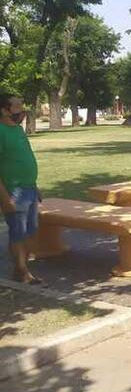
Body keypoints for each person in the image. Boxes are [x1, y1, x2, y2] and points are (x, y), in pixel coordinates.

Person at [0, 94, 42, 285]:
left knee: (30, 231)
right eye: (17, 106)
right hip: (14, 191)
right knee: (18, 232)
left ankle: (20, 270)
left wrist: (35, 186)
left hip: (29, 188)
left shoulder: (17, 129)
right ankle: (23, 272)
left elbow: (23, 158)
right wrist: (5, 198)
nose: (21, 109)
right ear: (4, 110)